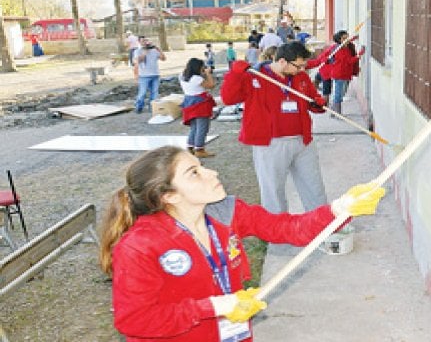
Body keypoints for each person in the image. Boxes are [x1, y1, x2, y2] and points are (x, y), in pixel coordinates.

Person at [98, 145, 385, 342]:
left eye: (202, 166)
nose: (213, 174)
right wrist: (214, 306)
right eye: (194, 173)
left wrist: (341, 208)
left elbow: (288, 228)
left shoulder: (226, 212)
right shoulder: (140, 246)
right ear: (168, 196)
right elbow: (134, 320)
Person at [220, 42, 329, 213]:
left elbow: (311, 99)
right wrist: (234, 74)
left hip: (302, 141)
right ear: (283, 61)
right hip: (271, 144)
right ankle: (279, 239)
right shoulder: (255, 76)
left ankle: (323, 228)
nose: (302, 70)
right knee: (273, 194)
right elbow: (228, 98)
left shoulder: (301, 77)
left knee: (314, 187)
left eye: (303, 66)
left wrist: (318, 104)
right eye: (298, 66)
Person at [179, 58, 217, 158]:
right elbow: (211, 85)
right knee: (202, 127)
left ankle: (190, 146)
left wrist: (203, 74)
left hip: (188, 101)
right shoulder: (196, 78)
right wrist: (208, 74)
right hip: (200, 103)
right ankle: (199, 149)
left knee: (194, 126)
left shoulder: (182, 75)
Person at [328, 30, 365, 115]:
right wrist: (359, 54)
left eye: (347, 37)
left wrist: (354, 38)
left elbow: (348, 42)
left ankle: (334, 112)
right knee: (338, 94)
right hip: (340, 74)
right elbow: (349, 61)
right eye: (344, 38)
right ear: (339, 40)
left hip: (345, 74)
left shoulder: (345, 47)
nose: (347, 39)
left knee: (341, 93)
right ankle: (336, 113)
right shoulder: (339, 49)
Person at [133, 38, 166, 113]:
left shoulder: (154, 50)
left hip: (155, 74)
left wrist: (159, 49)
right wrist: (145, 53)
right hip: (144, 76)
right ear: (139, 43)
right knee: (142, 93)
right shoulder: (137, 51)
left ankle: (152, 108)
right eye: (143, 41)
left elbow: (163, 59)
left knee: (154, 93)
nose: (145, 42)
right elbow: (137, 61)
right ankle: (139, 107)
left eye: (146, 41)